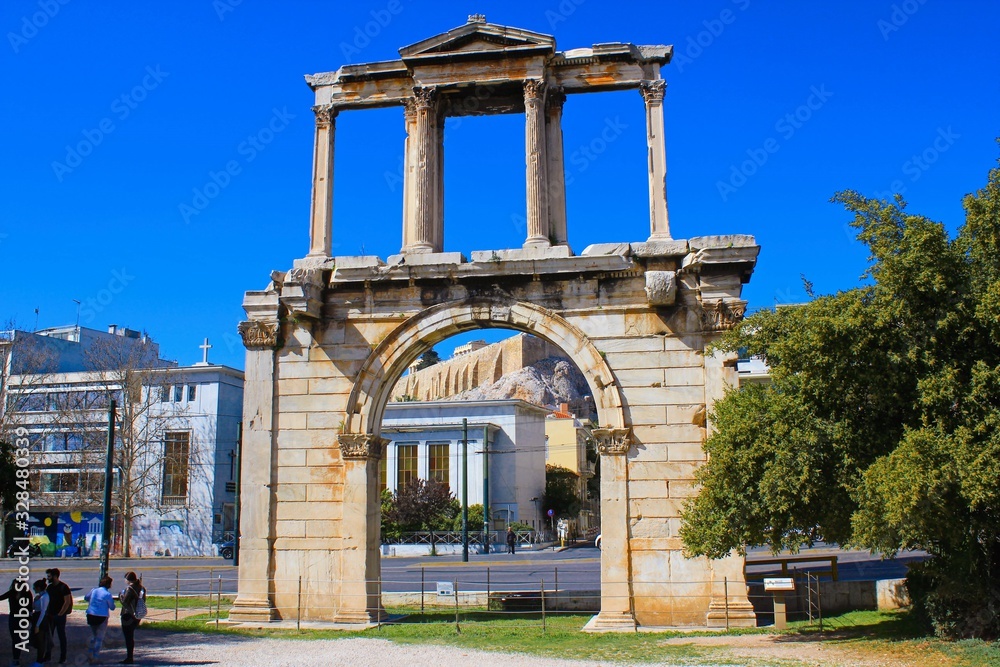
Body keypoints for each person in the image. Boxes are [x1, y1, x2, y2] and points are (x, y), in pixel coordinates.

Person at [1, 577, 33, 666]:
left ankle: (16, 659)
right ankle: (16, 658)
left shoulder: (25, 593)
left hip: (19, 618)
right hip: (17, 617)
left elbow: (30, 607)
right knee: (16, 638)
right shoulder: (15, 592)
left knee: (16, 639)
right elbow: (1, 597)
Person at [43, 568, 72, 664]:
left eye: (49, 576)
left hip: (60, 616)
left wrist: (60, 614)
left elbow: (67, 602)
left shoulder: (64, 587)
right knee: (49, 636)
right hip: (50, 615)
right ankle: (47, 655)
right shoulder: (50, 587)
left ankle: (63, 657)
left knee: (61, 637)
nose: (48, 578)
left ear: (55, 576)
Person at [84, 576, 115, 664]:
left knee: (94, 635)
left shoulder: (94, 590)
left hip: (91, 615)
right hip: (102, 616)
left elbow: (86, 598)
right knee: (99, 638)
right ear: (109, 584)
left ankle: (90, 653)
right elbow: (112, 607)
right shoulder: (107, 594)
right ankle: (95, 657)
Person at [118, 571, 145, 664]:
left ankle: (129, 657)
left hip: (128, 615)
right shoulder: (141, 588)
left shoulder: (130, 589)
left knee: (128, 637)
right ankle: (130, 656)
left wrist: (120, 596)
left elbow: (125, 603)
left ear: (128, 579)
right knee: (131, 635)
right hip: (137, 614)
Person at [30, 578, 49, 667]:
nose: (34, 589)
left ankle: (40, 661)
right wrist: (35, 600)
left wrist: (37, 625)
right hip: (36, 617)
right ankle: (39, 660)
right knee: (37, 640)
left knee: (41, 641)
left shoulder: (45, 597)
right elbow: (34, 607)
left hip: (41, 620)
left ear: (38, 588)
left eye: (35, 588)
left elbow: (43, 612)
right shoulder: (39, 597)